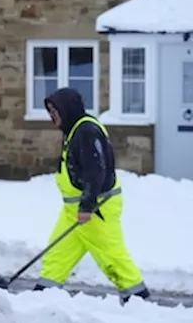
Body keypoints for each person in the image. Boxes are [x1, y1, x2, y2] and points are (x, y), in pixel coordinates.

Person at [35, 87, 150, 302]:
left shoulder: (86, 131)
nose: (52, 115)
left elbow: (96, 171)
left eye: (55, 110)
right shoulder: (73, 130)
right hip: (74, 209)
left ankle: (138, 299)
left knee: (112, 257)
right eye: (50, 110)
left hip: (97, 208)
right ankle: (42, 295)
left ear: (67, 109)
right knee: (57, 254)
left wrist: (87, 206)